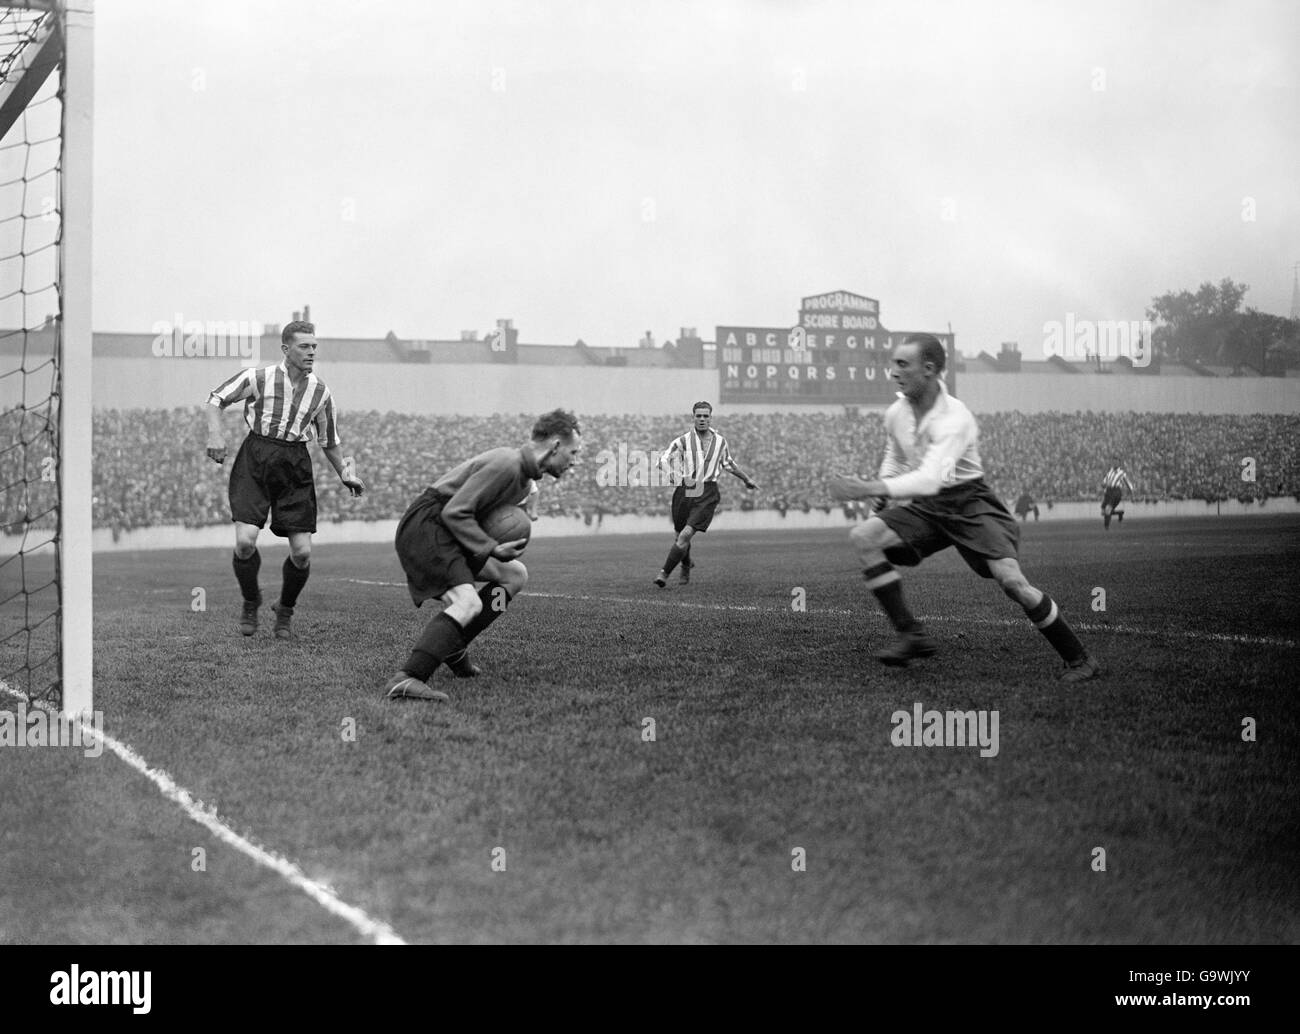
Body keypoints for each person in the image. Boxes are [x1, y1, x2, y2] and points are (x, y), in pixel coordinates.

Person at [828, 334, 1100, 683]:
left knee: (1012, 582)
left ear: (929, 370)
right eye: (893, 363)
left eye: (902, 364)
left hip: (970, 503)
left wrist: (868, 488)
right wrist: (882, 493)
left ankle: (1080, 659)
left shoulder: (955, 418)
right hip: (928, 507)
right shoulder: (896, 412)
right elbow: (896, 455)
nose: (893, 372)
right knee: (864, 536)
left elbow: (930, 478)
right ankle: (911, 634)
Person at [384, 409, 583, 702]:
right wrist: (492, 547)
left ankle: (454, 644)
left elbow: (476, 514)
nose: (574, 461)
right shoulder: (507, 464)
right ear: (555, 445)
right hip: (428, 526)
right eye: (573, 452)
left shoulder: (524, 480)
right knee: (467, 602)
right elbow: (456, 510)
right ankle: (408, 677)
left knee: (514, 576)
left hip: (448, 531)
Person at [205, 320, 364, 638]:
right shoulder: (258, 377)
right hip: (256, 458)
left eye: (314, 347)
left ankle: (285, 610)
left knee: (303, 552)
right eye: (305, 346)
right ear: (286, 349)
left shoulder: (320, 391)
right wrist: (216, 435)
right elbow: (216, 399)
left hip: (295, 464)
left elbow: (329, 440)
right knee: (245, 542)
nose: (311, 352)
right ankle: (251, 601)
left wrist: (345, 474)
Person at [652, 401, 757, 587]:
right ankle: (685, 563)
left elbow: (728, 463)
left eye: (705, 416)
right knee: (679, 535)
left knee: (685, 535)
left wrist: (746, 479)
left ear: (710, 417)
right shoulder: (683, 440)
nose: (702, 419)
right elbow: (662, 459)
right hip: (685, 490)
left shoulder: (720, 442)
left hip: (707, 492)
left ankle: (664, 574)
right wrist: (669, 472)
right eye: (698, 416)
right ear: (693, 417)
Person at [1101, 461, 1134, 529]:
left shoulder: (1122, 473)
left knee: (1108, 509)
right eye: (1114, 462)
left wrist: (1132, 493)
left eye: (1116, 463)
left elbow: (1128, 483)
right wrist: (1103, 484)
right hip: (1108, 492)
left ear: (1119, 464)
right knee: (1103, 511)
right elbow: (1104, 482)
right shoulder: (1110, 471)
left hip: (1116, 492)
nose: (1114, 464)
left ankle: (1106, 527)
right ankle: (1120, 513)